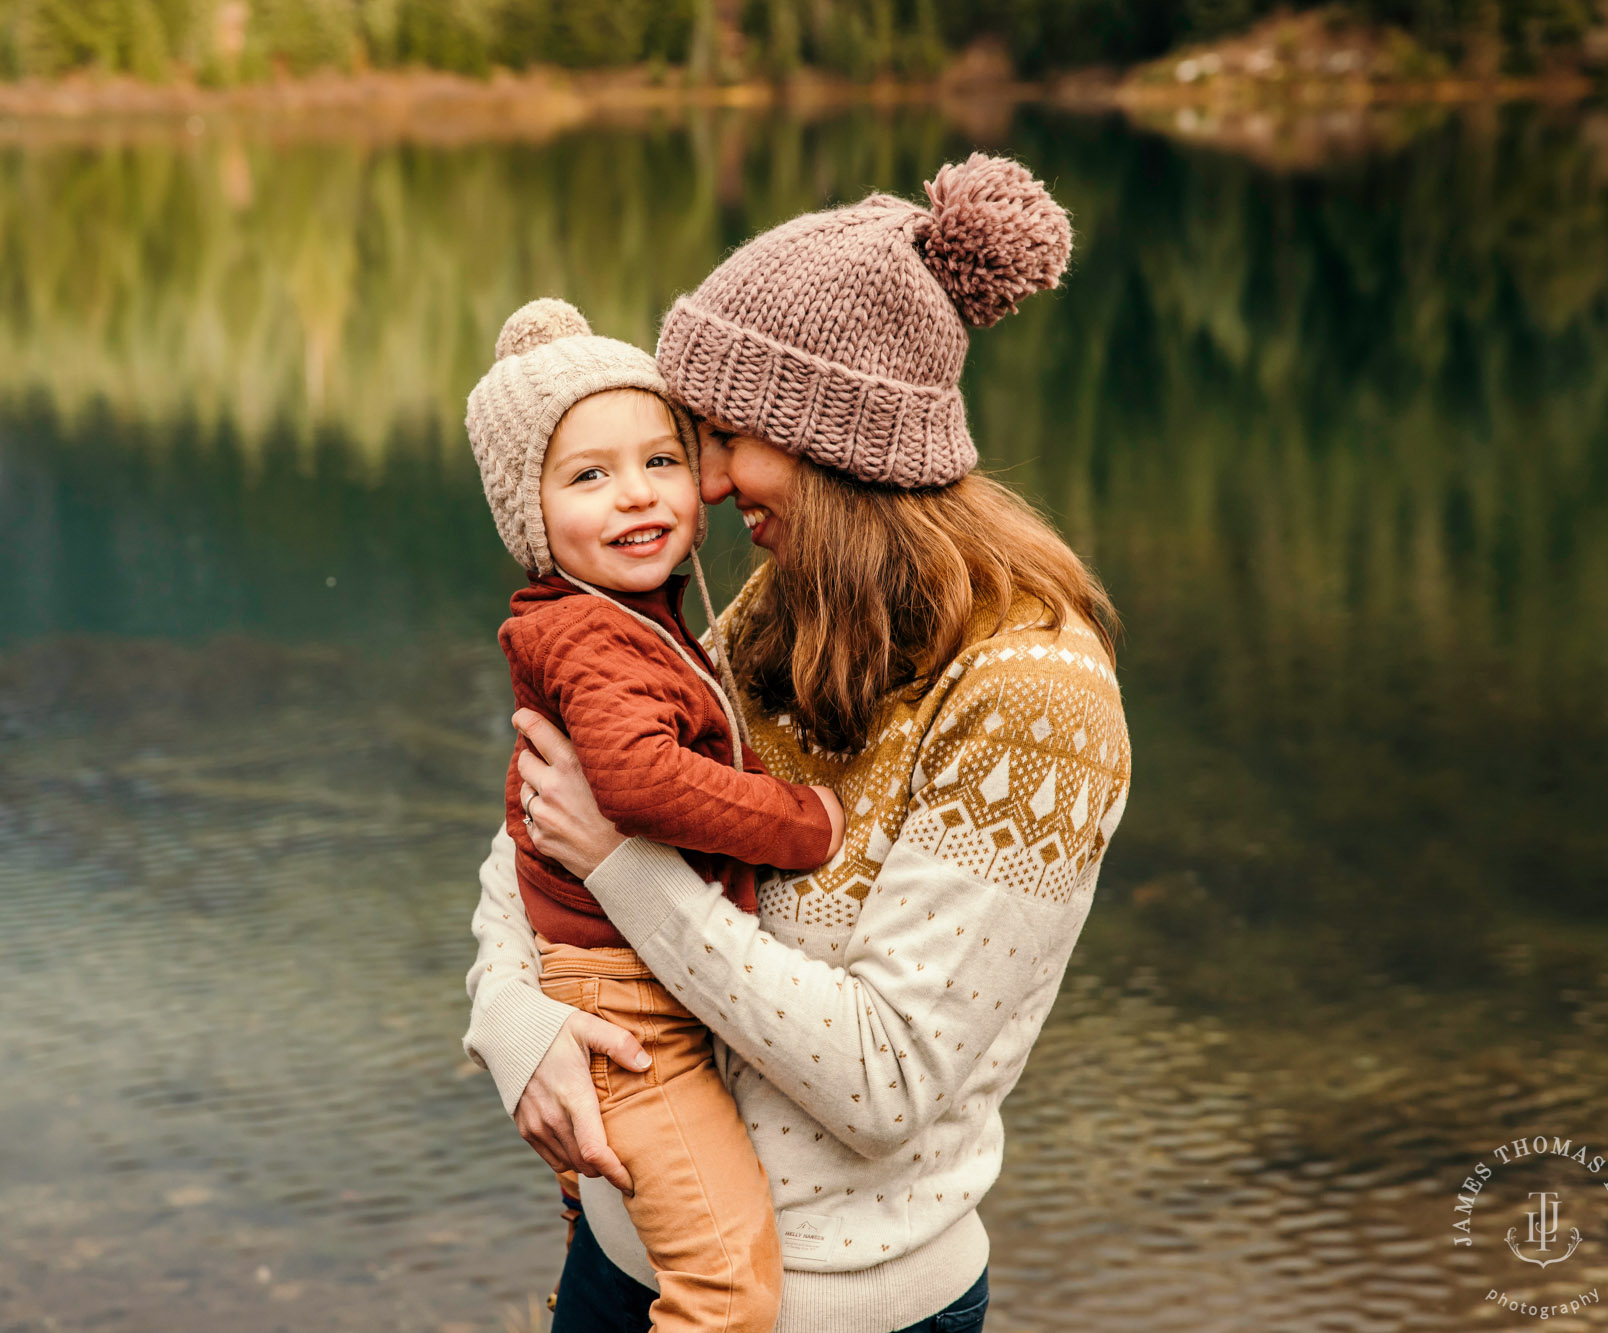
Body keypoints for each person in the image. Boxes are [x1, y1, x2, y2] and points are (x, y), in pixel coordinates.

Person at [462, 153, 1133, 1333]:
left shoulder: (1037, 702)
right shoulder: (782, 602)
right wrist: (510, 1017)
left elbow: (883, 1082)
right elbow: (546, 807)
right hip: (627, 1263)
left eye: (720, 438)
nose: (704, 487)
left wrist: (627, 871)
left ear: (831, 442)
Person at [465, 296, 850, 1330]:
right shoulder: (595, 638)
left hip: (624, 984)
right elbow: (635, 782)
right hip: (630, 1015)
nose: (635, 496)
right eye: (586, 476)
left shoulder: (636, 616)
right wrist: (801, 822)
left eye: (661, 460)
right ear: (530, 516)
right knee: (724, 1286)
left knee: (619, 1215)